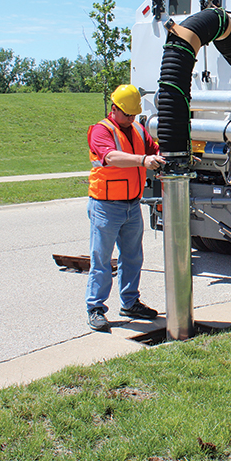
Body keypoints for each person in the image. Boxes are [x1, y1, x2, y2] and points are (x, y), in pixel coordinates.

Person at [85, 84, 165, 332]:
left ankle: (130, 302)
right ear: (114, 108)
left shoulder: (139, 130)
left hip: (132, 205)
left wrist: (167, 157)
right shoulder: (101, 130)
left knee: (133, 257)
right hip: (106, 206)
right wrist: (143, 161)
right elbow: (111, 158)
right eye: (127, 115)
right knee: (101, 259)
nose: (130, 119)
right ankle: (95, 307)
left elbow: (155, 149)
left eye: (133, 115)